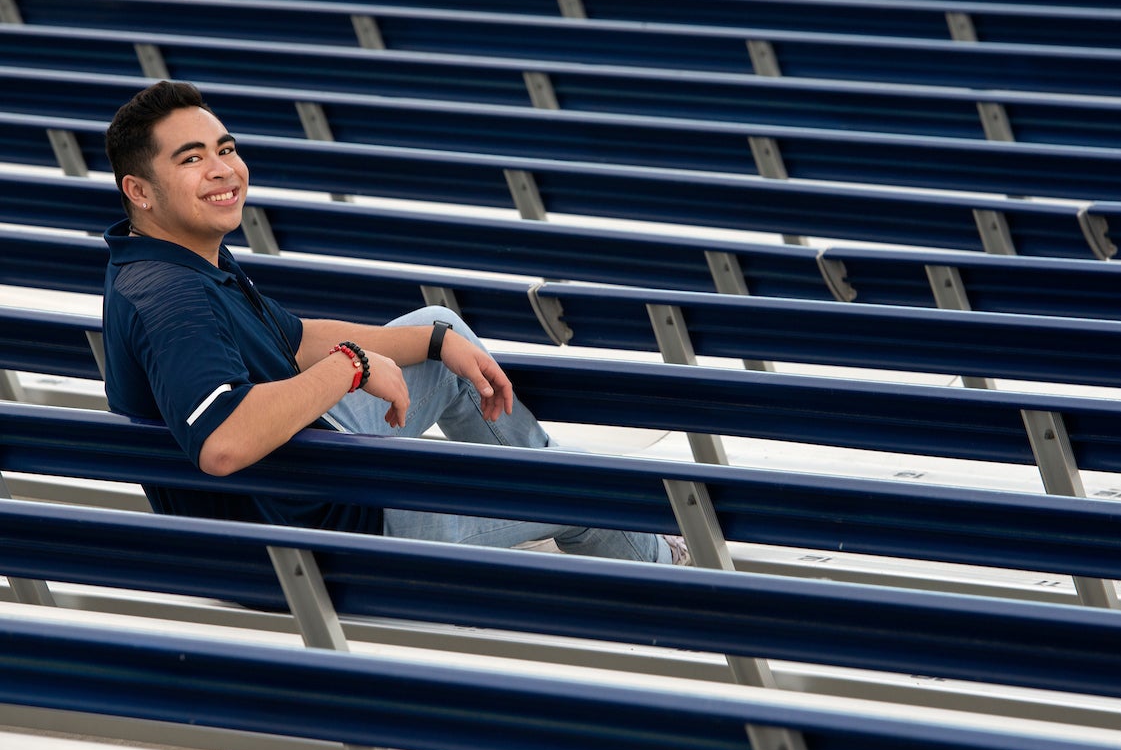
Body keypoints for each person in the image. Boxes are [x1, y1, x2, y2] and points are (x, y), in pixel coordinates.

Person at [101, 80, 687, 565]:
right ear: (139, 191)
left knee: (438, 329)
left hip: (301, 481)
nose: (221, 169)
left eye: (225, 150)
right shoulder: (172, 298)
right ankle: (675, 575)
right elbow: (224, 443)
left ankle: (545, 482)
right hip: (320, 535)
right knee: (584, 484)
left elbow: (294, 338)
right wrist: (351, 367)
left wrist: (432, 341)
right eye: (191, 158)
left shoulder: (174, 257)